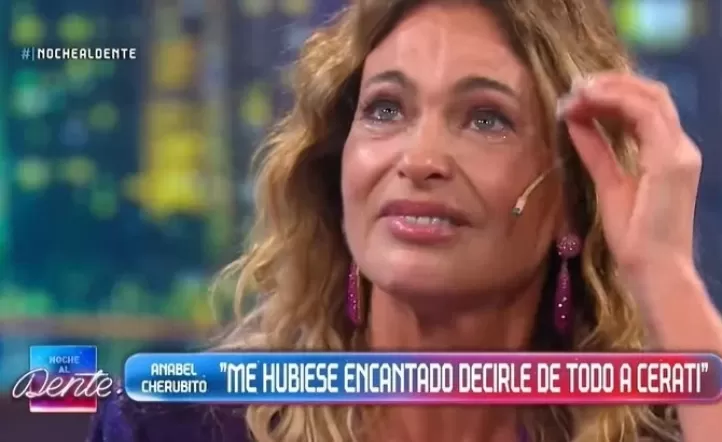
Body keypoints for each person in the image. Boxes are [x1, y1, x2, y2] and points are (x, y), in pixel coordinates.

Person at [88, 0, 722, 441]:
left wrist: (664, 274)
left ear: (572, 201)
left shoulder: (663, 430)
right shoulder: (172, 424)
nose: (419, 160)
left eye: (486, 119)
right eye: (386, 109)